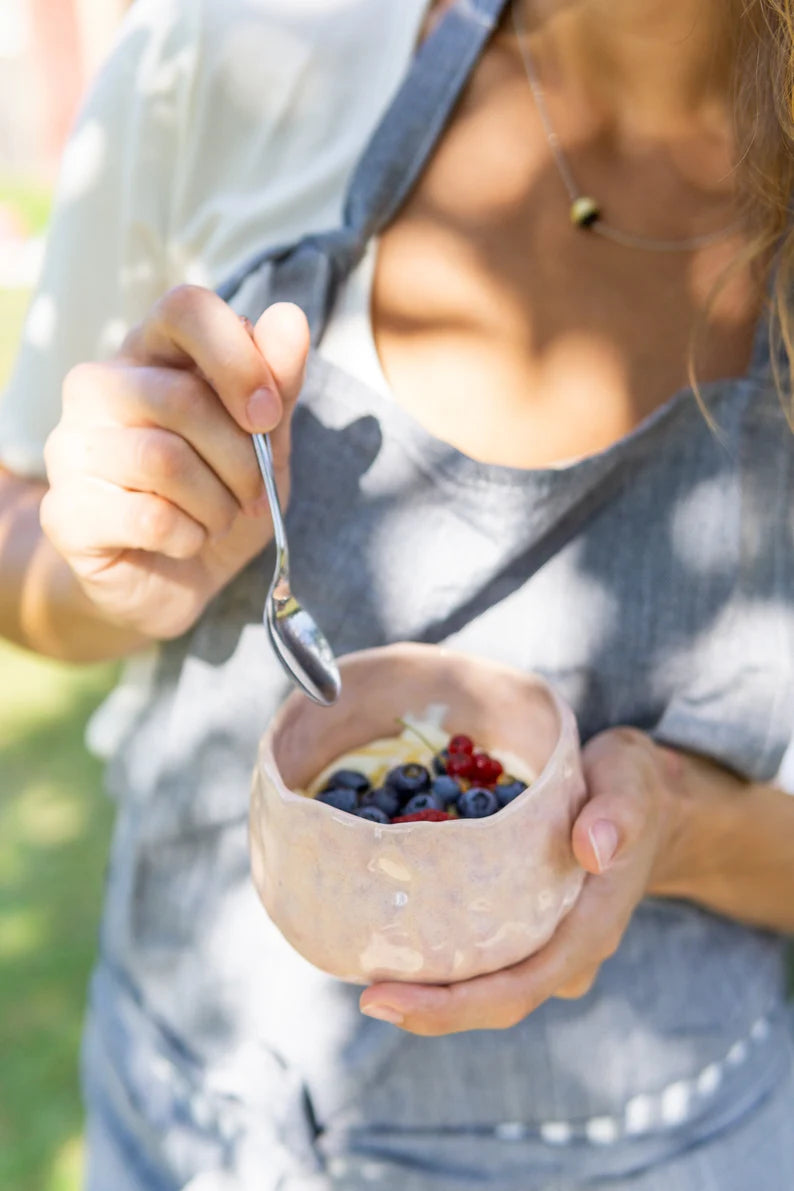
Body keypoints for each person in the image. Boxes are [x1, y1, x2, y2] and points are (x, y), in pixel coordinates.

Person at [1, 0, 793, 1186]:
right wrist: (103, 574)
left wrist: (671, 827)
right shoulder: (239, 57)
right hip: (176, 1119)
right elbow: (20, 534)